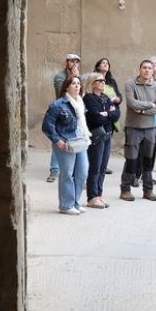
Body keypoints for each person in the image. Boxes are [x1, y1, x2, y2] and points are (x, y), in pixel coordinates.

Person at [42, 75, 91, 215]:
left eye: (78, 83)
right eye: (73, 83)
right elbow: (47, 125)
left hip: (80, 142)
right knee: (67, 174)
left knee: (82, 172)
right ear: (66, 86)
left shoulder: (80, 103)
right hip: (65, 143)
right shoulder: (58, 104)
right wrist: (57, 140)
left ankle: (75, 202)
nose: (77, 86)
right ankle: (66, 205)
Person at [120, 59, 156, 201]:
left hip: (150, 129)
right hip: (133, 128)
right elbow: (132, 103)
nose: (147, 70)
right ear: (139, 70)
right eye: (144, 67)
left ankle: (148, 190)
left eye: (149, 68)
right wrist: (150, 105)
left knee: (148, 160)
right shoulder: (130, 84)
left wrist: (144, 111)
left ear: (153, 71)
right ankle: (125, 189)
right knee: (131, 159)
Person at [83, 72, 119, 209]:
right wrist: (108, 114)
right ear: (92, 83)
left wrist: (107, 114)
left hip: (108, 134)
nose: (103, 83)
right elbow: (96, 118)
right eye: (99, 81)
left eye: (104, 81)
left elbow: (117, 114)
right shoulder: (89, 99)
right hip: (97, 135)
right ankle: (92, 197)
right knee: (95, 167)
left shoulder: (105, 97)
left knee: (103, 167)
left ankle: (98, 194)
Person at [48, 52, 81, 183]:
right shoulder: (60, 77)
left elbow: (81, 93)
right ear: (67, 62)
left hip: (74, 112)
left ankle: (71, 171)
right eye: (72, 61)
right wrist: (72, 78)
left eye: (77, 62)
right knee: (58, 141)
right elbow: (61, 94)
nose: (74, 64)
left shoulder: (78, 78)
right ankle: (54, 170)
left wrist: (77, 78)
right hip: (61, 112)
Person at [93, 58, 121, 176]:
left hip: (111, 114)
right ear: (98, 66)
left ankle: (104, 165)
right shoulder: (93, 78)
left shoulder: (111, 81)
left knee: (107, 141)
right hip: (99, 113)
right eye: (103, 63)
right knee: (97, 141)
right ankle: (96, 166)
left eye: (107, 63)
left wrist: (117, 99)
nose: (105, 65)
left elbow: (118, 95)